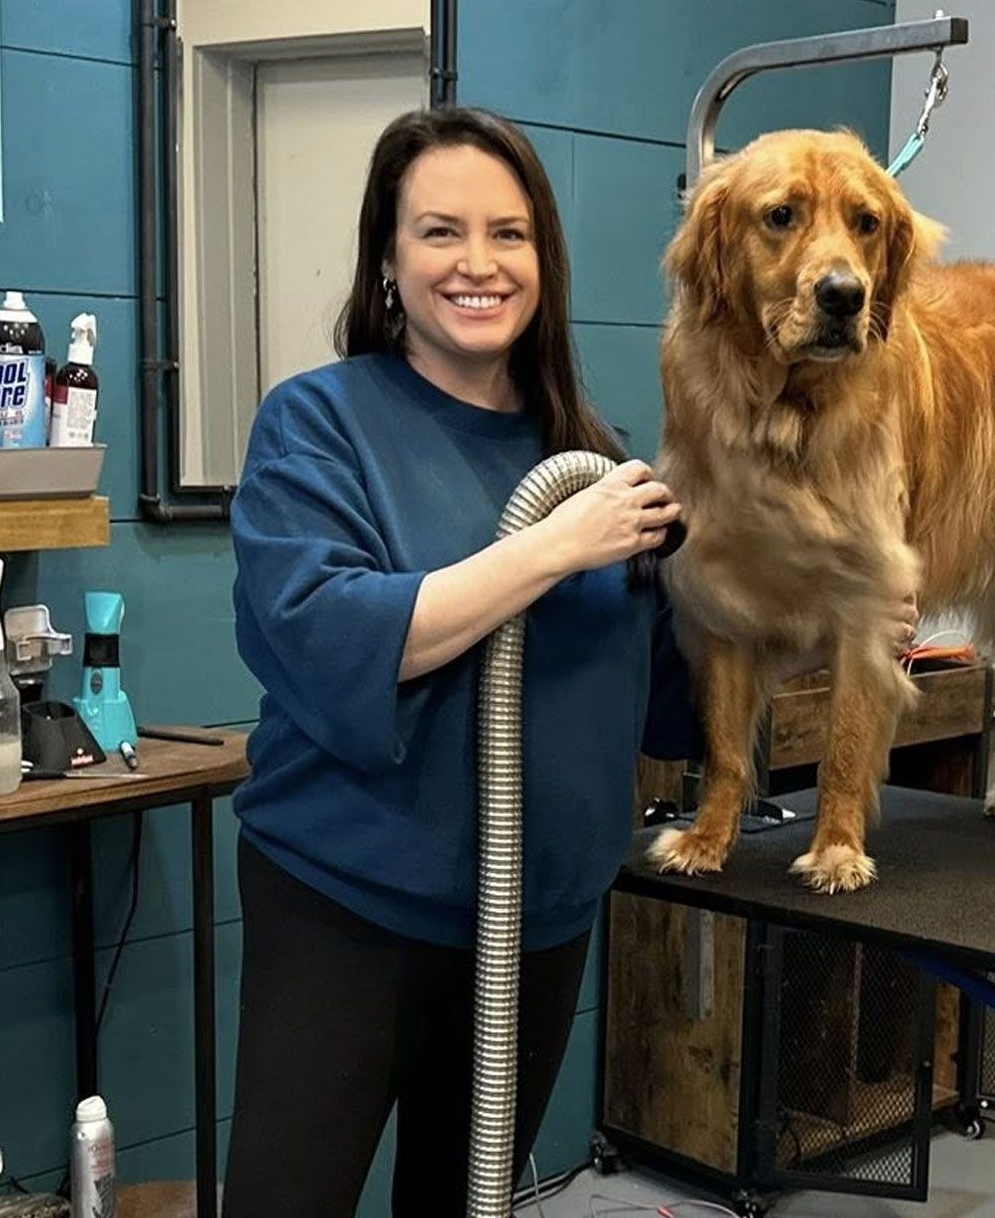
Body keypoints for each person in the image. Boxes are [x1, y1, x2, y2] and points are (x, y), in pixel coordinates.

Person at [221, 105, 699, 1216]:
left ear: (545, 259)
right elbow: (330, 627)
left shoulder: (598, 454)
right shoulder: (319, 421)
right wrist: (549, 546)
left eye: (509, 234)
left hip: (538, 920)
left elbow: (673, 702)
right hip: (348, 906)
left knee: (466, 1199)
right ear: (387, 259)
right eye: (440, 232)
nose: (477, 264)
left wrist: (812, 609)